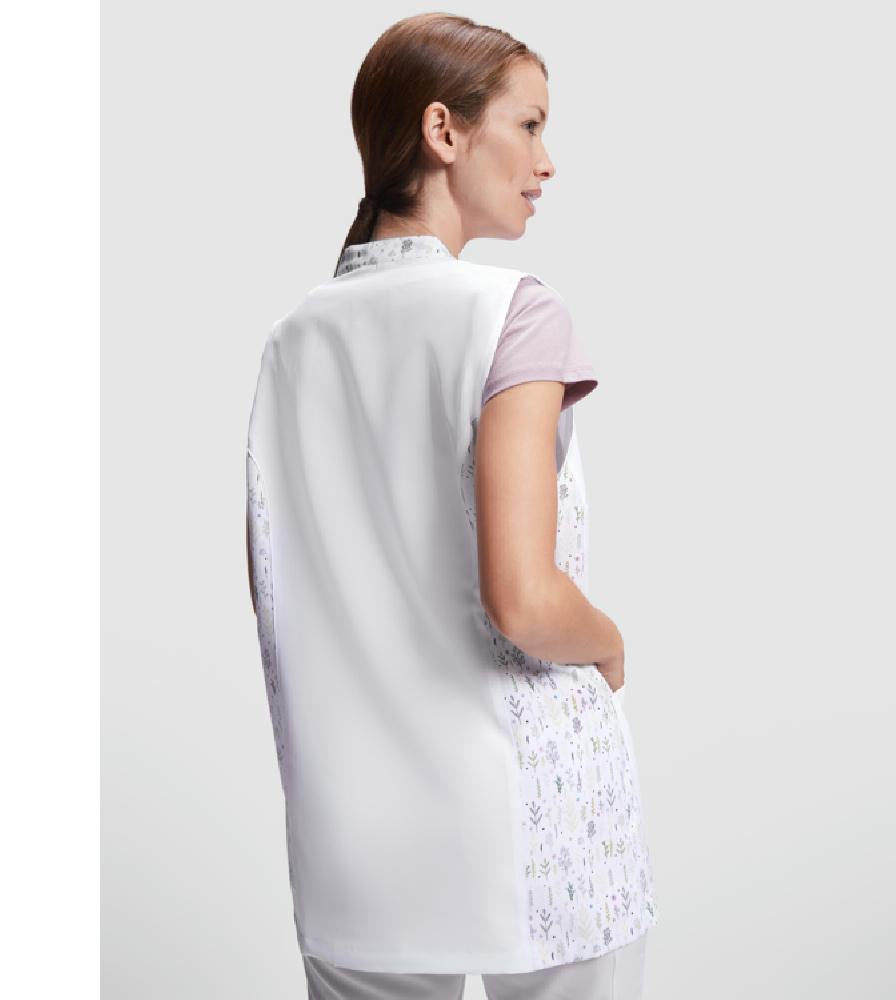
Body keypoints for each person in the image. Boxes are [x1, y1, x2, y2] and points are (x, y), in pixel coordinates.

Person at [245, 13, 659, 999]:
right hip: (536, 835)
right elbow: (524, 599)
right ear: (443, 130)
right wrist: (608, 642)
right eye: (529, 124)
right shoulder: (513, 313)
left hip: (350, 838)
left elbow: (279, 598)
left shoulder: (290, 343)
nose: (546, 161)